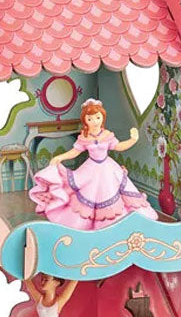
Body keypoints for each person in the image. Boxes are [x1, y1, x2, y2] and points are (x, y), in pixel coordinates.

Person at [29, 98, 159, 229]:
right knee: (88, 193)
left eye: (98, 117)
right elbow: (75, 152)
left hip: (108, 168)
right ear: (85, 120)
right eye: (90, 119)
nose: (94, 121)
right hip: (90, 169)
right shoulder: (84, 137)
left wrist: (133, 140)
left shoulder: (107, 135)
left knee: (110, 191)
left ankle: (116, 224)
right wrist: (60, 157)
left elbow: (118, 146)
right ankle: (88, 225)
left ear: (103, 118)